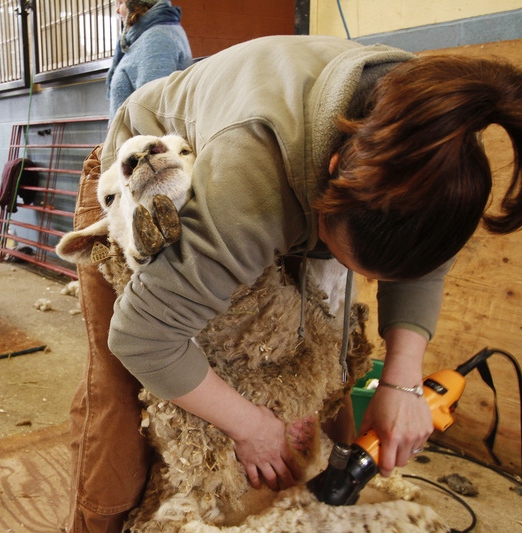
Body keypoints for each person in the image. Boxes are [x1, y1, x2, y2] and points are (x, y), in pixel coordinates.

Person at [69, 35, 522, 530]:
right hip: (142, 183)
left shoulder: (433, 139)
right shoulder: (252, 184)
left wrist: (404, 380)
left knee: (321, 372)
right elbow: (143, 336)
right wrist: (251, 426)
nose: (369, 281)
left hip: (275, 189)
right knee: (124, 408)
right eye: (360, 265)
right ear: (331, 176)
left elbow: (423, 257)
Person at [66, 2, 191, 532]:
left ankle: (97, 523)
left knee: (111, 380)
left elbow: (152, 147)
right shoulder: (141, 35)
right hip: (133, 184)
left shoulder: (158, 39)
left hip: (128, 184)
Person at [107, 0, 191, 117]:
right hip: (131, 134)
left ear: (136, 4)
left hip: (139, 134)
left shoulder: (157, 38)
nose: (117, 10)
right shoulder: (145, 36)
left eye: (121, 2)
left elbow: (151, 110)